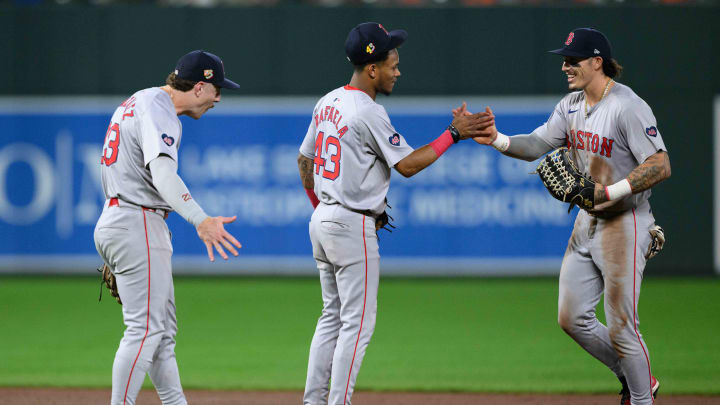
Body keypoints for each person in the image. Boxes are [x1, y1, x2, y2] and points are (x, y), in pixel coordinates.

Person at [461, 28, 670, 405]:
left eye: (573, 59)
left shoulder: (627, 106)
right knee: (572, 318)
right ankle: (634, 375)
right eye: (564, 59)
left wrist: (610, 191)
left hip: (626, 221)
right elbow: (537, 145)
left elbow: (660, 164)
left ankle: (642, 400)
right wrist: (497, 139)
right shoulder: (570, 105)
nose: (565, 66)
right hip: (587, 221)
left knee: (623, 327)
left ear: (597, 62)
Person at [297, 22, 495, 405]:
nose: (398, 71)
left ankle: (314, 401)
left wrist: (322, 210)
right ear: (372, 68)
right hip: (351, 223)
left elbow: (305, 161)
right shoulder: (367, 111)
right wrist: (453, 134)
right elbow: (407, 165)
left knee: (331, 319)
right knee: (356, 325)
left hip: (323, 220)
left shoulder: (328, 100)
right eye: (393, 63)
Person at [94, 50, 243, 405]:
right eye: (216, 89)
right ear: (200, 86)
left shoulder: (139, 99)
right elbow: (163, 175)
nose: (218, 98)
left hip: (120, 217)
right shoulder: (160, 110)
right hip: (136, 221)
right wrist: (200, 219)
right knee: (145, 331)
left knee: (160, 335)